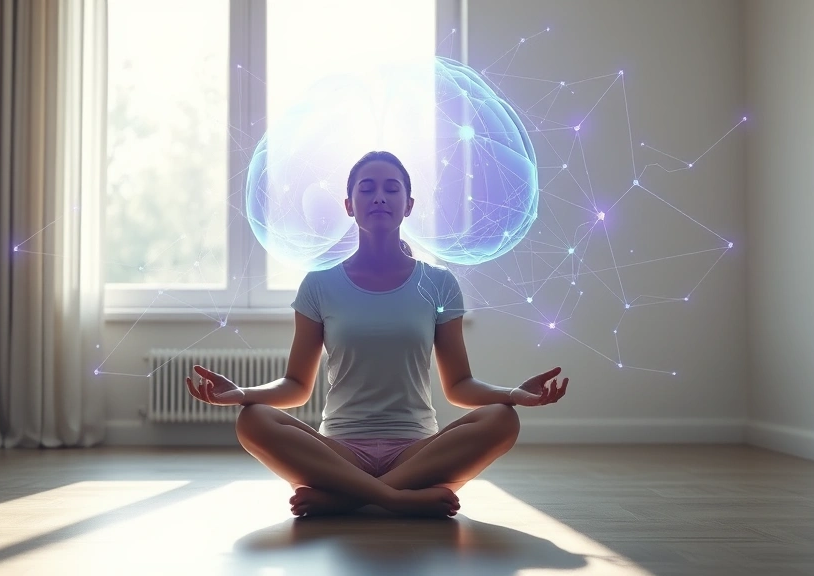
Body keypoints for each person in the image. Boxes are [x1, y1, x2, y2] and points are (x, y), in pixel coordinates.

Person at [186, 151, 569, 518]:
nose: (380, 197)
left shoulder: (439, 283)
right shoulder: (319, 285)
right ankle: (396, 499)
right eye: (367, 188)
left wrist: (513, 394)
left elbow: (459, 386)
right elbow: (296, 386)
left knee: (503, 419)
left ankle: (347, 500)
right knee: (251, 420)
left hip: (416, 453)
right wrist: (243, 394)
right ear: (349, 205)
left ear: (409, 205)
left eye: (391, 188)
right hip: (339, 453)